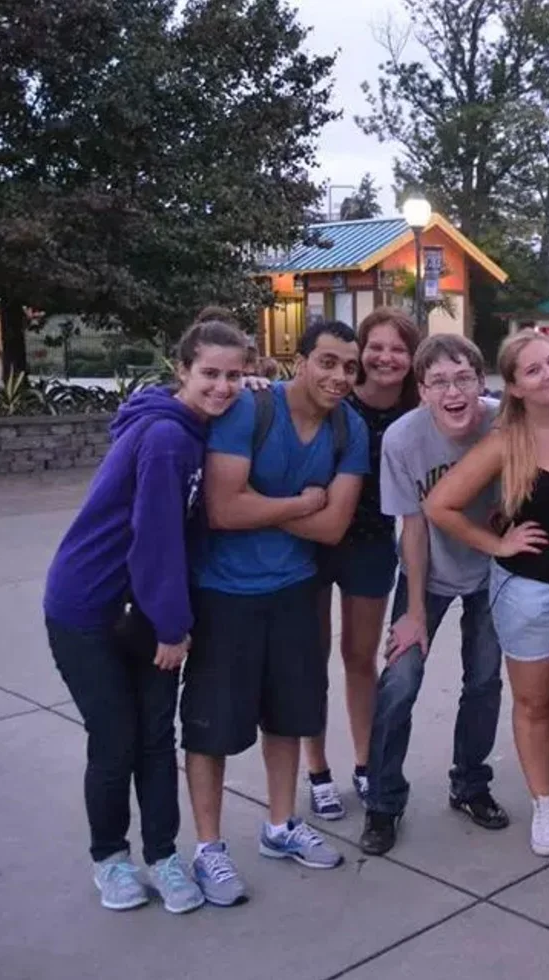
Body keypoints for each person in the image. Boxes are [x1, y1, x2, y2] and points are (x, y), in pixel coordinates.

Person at [43, 318, 248, 914]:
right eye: (209, 373)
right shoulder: (166, 438)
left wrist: (161, 617)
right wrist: (172, 627)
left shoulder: (193, 427)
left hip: (143, 608)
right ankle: (111, 859)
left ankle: (163, 856)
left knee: (156, 740)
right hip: (88, 607)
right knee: (116, 740)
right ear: (181, 370)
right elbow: (154, 539)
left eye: (235, 375)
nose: (223, 386)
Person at [181, 320, 369, 906]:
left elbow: (334, 525)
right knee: (211, 726)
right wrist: (299, 504)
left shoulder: (350, 427)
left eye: (350, 367)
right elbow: (220, 510)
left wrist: (260, 505)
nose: (340, 376)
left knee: (289, 717)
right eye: (329, 362)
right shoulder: (249, 412)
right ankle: (209, 848)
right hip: (223, 593)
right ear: (301, 360)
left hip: (294, 589)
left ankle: (281, 826)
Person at [424, 331, 549, 856]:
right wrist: (497, 544)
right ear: (515, 387)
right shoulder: (508, 439)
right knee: (535, 701)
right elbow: (441, 505)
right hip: (529, 591)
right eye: (532, 370)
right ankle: (543, 804)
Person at [358, 334, 507, 856]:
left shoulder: (503, 420)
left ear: (480, 381)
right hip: (429, 571)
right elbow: (413, 528)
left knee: (485, 679)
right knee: (401, 679)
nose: (453, 390)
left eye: (463, 377)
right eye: (439, 381)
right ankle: (383, 802)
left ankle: (471, 784)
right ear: (421, 391)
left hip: (492, 568)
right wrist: (414, 613)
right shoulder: (402, 439)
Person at [305, 308, 421, 821]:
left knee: (359, 657)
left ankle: (364, 762)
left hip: (372, 544)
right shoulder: (334, 400)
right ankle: (316, 770)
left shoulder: (419, 407)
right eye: (376, 347)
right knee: (307, 658)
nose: (385, 358)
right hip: (309, 541)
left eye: (398, 348)